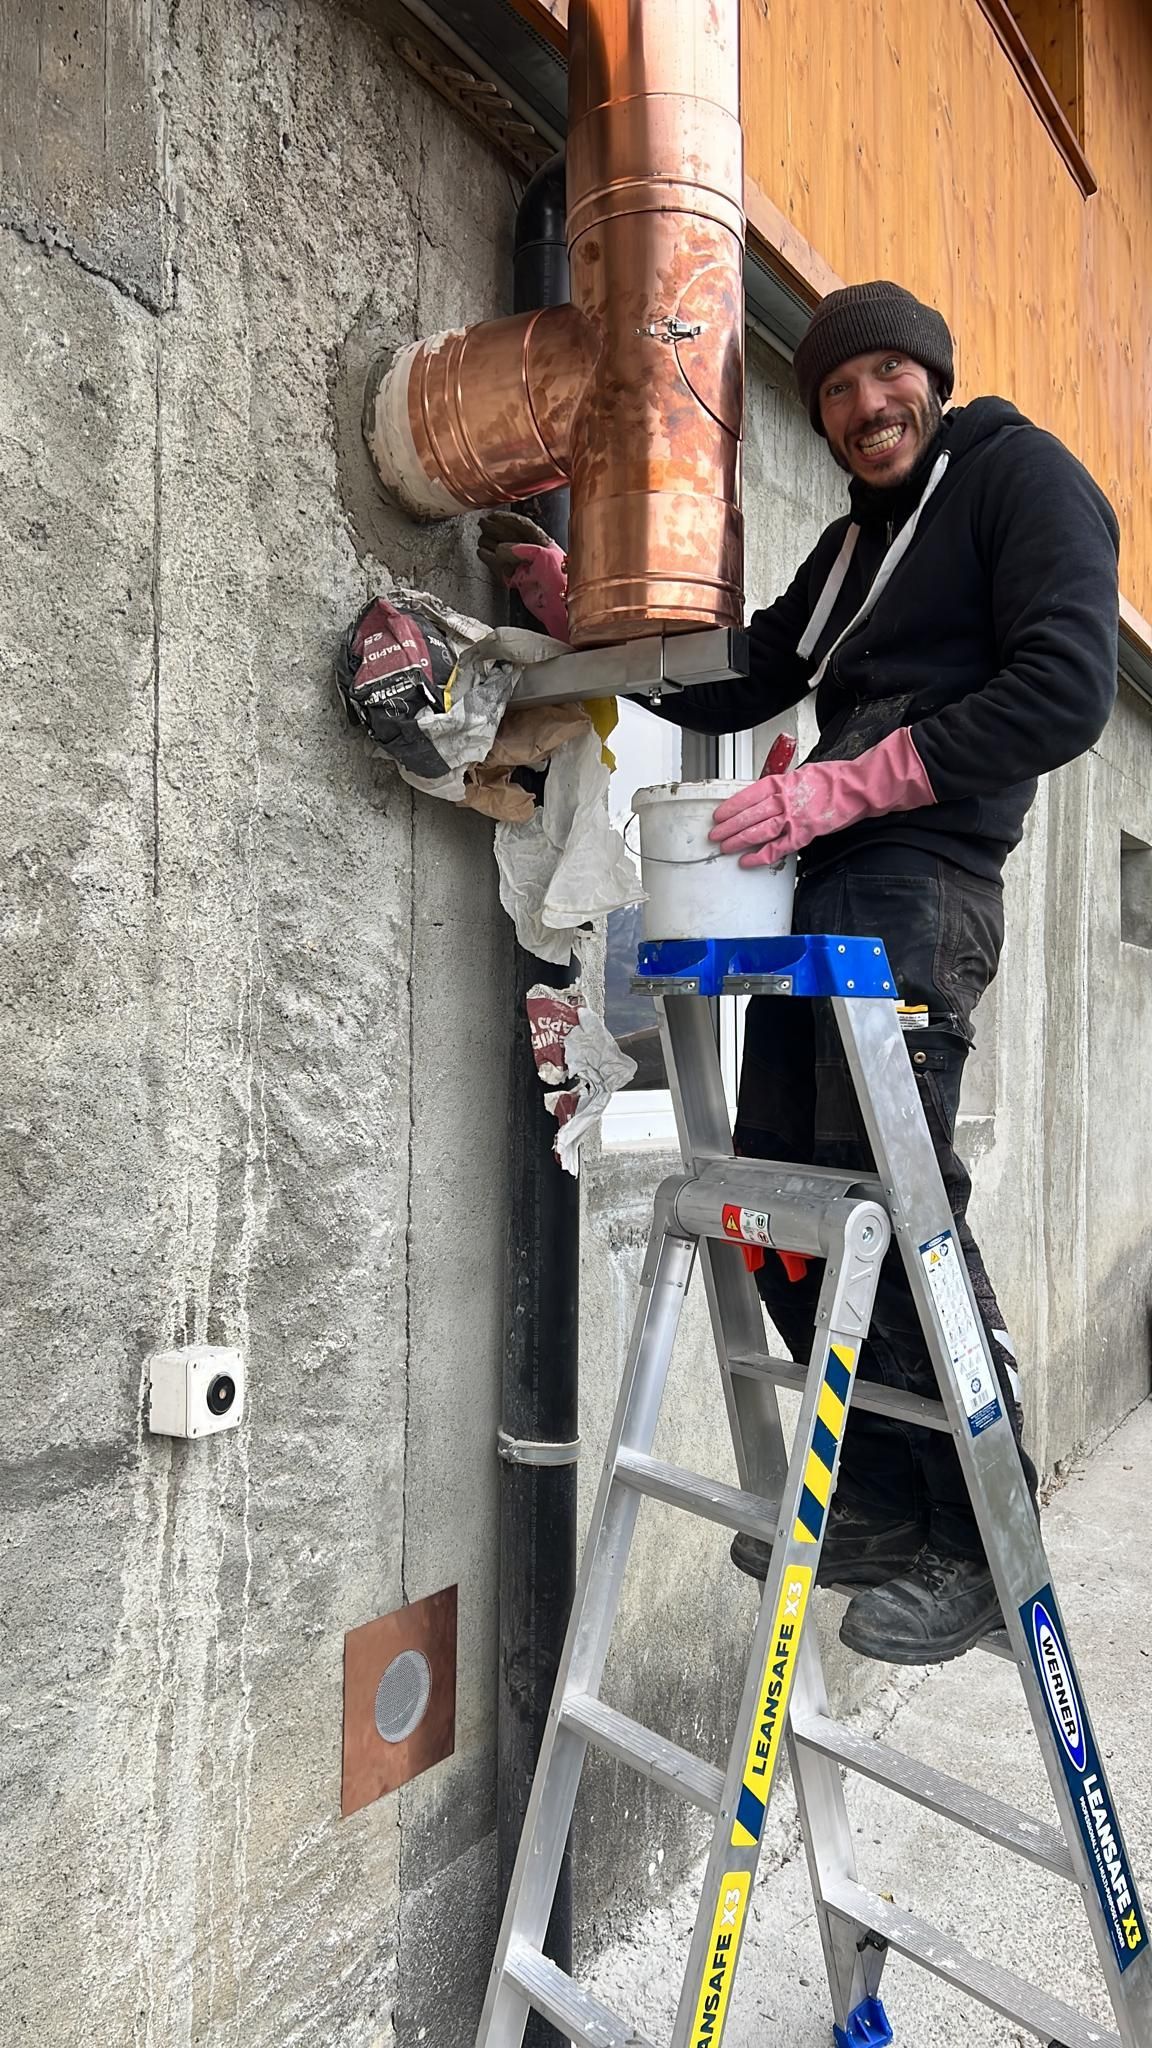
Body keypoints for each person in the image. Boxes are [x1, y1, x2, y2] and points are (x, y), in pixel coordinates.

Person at [479, 279, 1120, 1664]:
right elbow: (747, 676)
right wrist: (588, 620)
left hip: (922, 882)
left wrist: (846, 792)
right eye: (836, 391)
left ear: (933, 379)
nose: (865, 407)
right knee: (781, 1190)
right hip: (821, 889)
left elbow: (1067, 687)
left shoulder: (1020, 479)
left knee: (896, 1198)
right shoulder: (851, 549)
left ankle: (972, 1537)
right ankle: (878, 1511)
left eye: (887, 377)